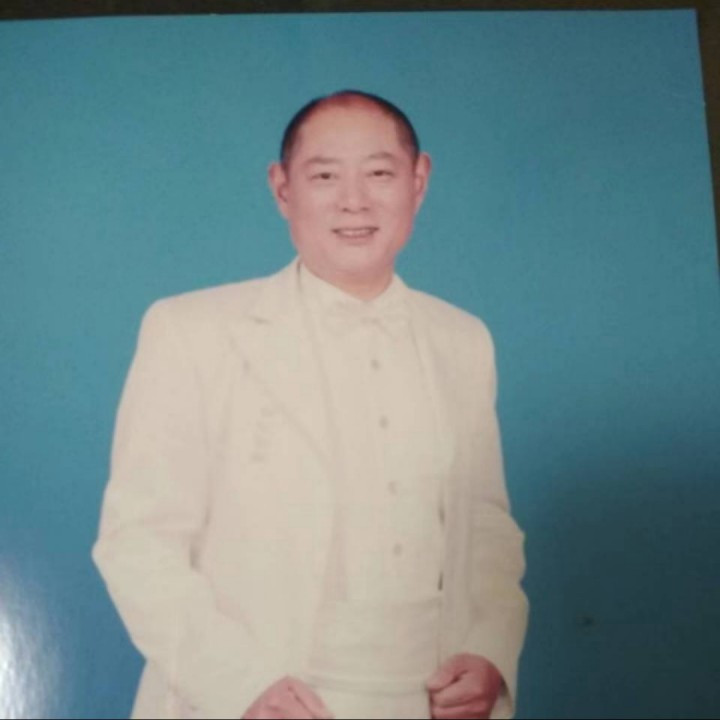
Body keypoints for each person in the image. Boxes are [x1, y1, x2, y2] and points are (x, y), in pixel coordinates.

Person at [93, 89, 529, 720]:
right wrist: (240, 688)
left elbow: (486, 526)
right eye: (325, 176)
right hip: (261, 699)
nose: (354, 201)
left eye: (379, 174)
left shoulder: (463, 340)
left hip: (428, 701)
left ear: (419, 181)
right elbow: (138, 542)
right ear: (282, 189)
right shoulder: (191, 331)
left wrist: (489, 652)